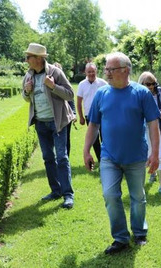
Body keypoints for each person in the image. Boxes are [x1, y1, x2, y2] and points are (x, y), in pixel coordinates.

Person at [83, 52, 160, 254]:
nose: (106, 73)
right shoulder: (102, 94)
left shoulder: (142, 93)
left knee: (137, 197)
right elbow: (93, 125)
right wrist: (86, 150)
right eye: (106, 69)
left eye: (111, 69)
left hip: (136, 157)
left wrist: (155, 154)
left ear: (125, 70)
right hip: (109, 156)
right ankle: (120, 238)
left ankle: (139, 232)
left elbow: (153, 124)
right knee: (110, 194)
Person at [22, 43, 75, 209]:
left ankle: (68, 195)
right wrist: (26, 91)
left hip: (57, 121)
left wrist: (53, 86)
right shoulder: (28, 76)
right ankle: (55, 190)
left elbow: (70, 94)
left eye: (29, 57)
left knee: (61, 157)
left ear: (38, 59)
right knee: (47, 158)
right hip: (41, 122)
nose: (26, 60)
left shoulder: (55, 72)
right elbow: (25, 97)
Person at [138, 71, 161, 196]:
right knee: (148, 155)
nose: (151, 86)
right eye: (148, 84)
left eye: (153, 83)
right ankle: (152, 173)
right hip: (145, 129)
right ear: (142, 83)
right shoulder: (138, 94)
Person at [77, 63, 107, 162]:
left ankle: (107, 158)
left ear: (96, 71)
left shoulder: (103, 83)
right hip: (89, 115)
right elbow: (79, 102)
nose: (91, 73)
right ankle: (100, 159)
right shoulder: (82, 84)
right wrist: (81, 117)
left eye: (93, 71)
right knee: (94, 139)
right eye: (89, 72)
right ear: (85, 72)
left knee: (105, 137)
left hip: (103, 114)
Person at [53, 62, 76, 158]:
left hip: (66, 115)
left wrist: (74, 113)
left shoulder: (65, 84)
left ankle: (66, 157)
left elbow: (71, 99)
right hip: (54, 116)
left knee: (66, 138)